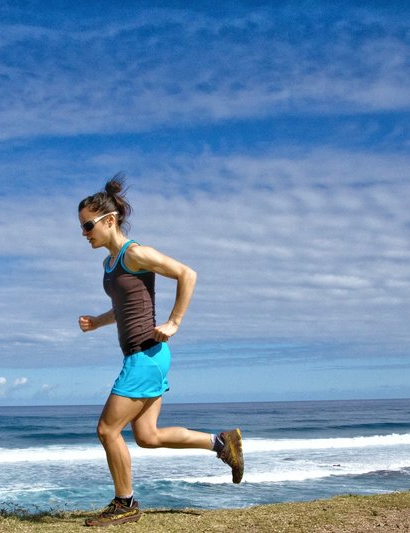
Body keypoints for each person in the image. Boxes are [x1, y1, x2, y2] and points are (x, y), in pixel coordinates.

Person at [78, 174, 243, 527]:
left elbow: (187, 274)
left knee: (108, 430)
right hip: (144, 357)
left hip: (146, 354)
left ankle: (126, 504)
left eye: (88, 225)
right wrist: (98, 321)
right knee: (147, 436)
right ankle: (220, 442)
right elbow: (125, 308)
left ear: (109, 220)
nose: (84, 232)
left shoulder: (135, 253)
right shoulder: (110, 265)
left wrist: (174, 322)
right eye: (81, 227)